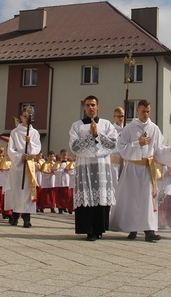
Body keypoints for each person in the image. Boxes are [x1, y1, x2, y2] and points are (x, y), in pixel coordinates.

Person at [110, 99, 171, 242]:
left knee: (148, 200)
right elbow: (121, 148)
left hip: (147, 168)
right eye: (143, 111)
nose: (146, 114)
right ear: (137, 111)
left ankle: (149, 231)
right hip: (133, 167)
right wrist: (137, 143)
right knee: (133, 199)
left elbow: (159, 149)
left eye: (148, 111)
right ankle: (132, 229)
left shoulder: (154, 128)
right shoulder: (129, 128)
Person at [69, 95, 118, 241]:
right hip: (85, 166)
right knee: (86, 196)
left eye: (93, 105)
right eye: (88, 105)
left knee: (101, 196)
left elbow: (113, 144)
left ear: (98, 106)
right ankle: (89, 230)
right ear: (84, 107)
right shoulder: (76, 126)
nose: (91, 108)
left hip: (102, 166)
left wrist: (98, 135)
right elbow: (74, 146)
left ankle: (99, 229)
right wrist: (89, 137)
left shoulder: (107, 124)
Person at [6, 110, 42, 228]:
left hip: (28, 165)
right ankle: (15, 216)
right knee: (17, 190)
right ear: (21, 117)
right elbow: (10, 149)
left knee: (27, 191)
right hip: (18, 165)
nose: (27, 119)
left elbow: (37, 148)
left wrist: (29, 142)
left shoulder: (34, 132)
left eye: (29, 117)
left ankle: (27, 218)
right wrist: (20, 156)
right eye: (25, 116)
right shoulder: (15, 132)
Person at [110, 107, 125, 191]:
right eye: (119, 116)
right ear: (114, 116)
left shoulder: (127, 129)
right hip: (114, 162)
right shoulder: (111, 130)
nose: (121, 118)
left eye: (122, 116)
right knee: (115, 185)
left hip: (125, 161)